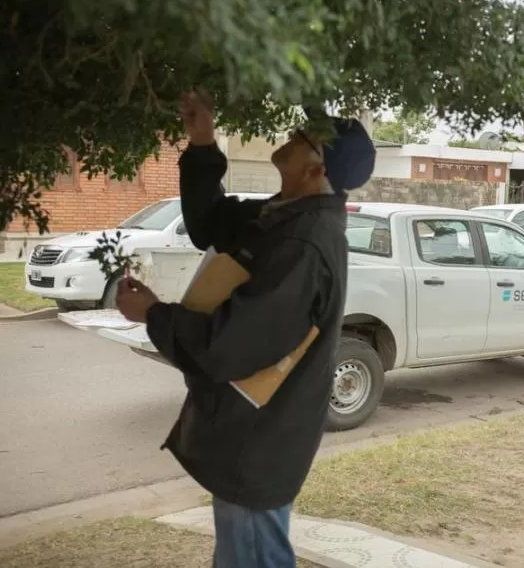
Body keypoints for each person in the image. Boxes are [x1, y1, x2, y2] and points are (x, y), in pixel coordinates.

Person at [115, 91, 375, 568]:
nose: (292, 137)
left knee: (253, 557)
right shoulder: (283, 214)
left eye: (303, 139)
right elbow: (209, 221)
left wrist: (153, 313)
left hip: (260, 443)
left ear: (315, 171)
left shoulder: (303, 244)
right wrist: (202, 140)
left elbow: (230, 346)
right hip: (252, 439)